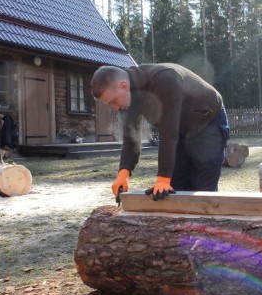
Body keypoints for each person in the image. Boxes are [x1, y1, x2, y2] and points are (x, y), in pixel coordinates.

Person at [91, 63, 229, 201]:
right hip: (181, 130)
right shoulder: (127, 102)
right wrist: (123, 172)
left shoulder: (164, 79)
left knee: (203, 189)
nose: (115, 107)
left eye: (113, 101)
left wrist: (163, 179)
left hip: (208, 121)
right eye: (111, 104)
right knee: (177, 186)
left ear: (123, 85)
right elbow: (131, 138)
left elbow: (168, 133)